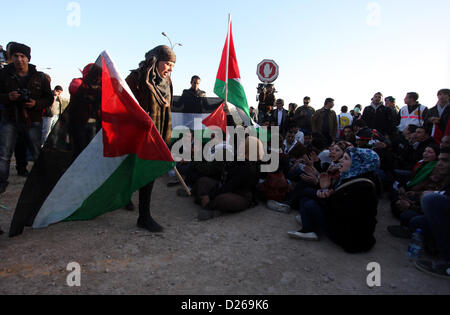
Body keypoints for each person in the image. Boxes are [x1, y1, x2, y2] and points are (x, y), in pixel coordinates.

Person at [288, 147, 380, 253]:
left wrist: (324, 194)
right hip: (346, 228)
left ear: (358, 163)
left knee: (308, 201)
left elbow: (341, 213)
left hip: (350, 238)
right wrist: (324, 190)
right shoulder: (354, 177)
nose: (341, 160)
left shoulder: (362, 187)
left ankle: (308, 228)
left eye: (345, 158)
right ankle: (308, 222)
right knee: (307, 195)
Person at [125, 45, 176, 233]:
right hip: (137, 133)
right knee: (130, 167)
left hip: (158, 133)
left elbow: (167, 107)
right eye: (168, 63)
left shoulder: (167, 80)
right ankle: (124, 197)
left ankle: (144, 216)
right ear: (155, 61)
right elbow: (124, 103)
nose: (170, 68)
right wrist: (140, 115)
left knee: (149, 170)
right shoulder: (137, 78)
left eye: (172, 64)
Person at [0, 43, 53, 194]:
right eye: (15, 56)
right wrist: (7, 97)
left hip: (33, 119)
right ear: (11, 58)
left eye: (22, 56)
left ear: (28, 58)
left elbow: (48, 98)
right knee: (4, 154)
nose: (19, 59)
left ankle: (42, 182)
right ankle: (1, 182)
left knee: (37, 152)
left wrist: (36, 103)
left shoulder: (39, 76)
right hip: (10, 119)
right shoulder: (3, 74)